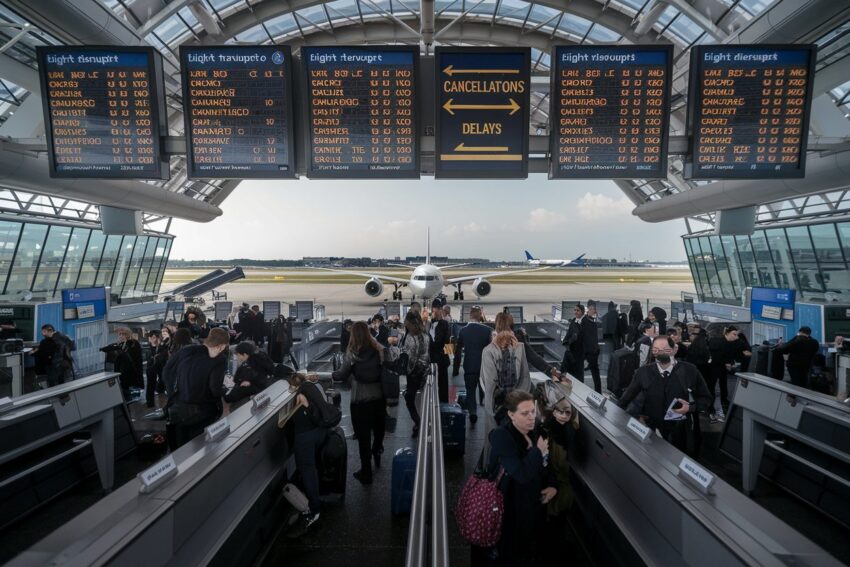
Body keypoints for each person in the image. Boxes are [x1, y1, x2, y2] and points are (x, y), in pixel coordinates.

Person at [474, 390, 555, 567]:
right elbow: (520, 474)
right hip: (509, 508)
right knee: (510, 553)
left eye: (533, 411)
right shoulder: (501, 436)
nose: (531, 417)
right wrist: (537, 451)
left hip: (534, 504)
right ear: (511, 414)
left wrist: (552, 485)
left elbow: (549, 464)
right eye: (524, 413)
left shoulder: (538, 431)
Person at [618, 336, 711, 456]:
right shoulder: (643, 372)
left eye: (665, 349)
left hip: (681, 432)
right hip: (651, 430)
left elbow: (706, 398)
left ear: (674, 350)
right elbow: (625, 400)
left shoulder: (690, 371)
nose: (660, 353)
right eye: (656, 349)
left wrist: (690, 408)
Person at [332, 321, 392, 484]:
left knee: (363, 438)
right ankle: (378, 449)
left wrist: (331, 375)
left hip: (360, 400)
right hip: (379, 398)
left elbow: (342, 374)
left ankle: (366, 471)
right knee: (379, 430)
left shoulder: (352, 352)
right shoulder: (378, 349)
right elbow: (389, 363)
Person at [163, 327, 230, 449]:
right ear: (221, 346)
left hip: (179, 409)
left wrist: (172, 394)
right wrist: (227, 389)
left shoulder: (186, 350)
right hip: (203, 412)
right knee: (199, 449)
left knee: (179, 449)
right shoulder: (219, 360)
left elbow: (167, 372)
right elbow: (214, 389)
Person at [539, 382, 581, 559]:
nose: (563, 416)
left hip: (562, 487)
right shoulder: (546, 432)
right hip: (551, 485)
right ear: (553, 411)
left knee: (557, 523)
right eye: (559, 412)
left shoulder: (570, 431)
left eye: (567, 413)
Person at [287, 372, 326, 533]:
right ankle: (317, 495)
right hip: (320, 432)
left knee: (307, 469)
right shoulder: (314, 387)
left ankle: (314, 510)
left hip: (305, 437)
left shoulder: (298, 395)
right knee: (313, 466)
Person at [481, 312, 530, 440]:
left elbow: (489, 383)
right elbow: (525, 378)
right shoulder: (519, 348)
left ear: (496, 327)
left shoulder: (488, 350)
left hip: (497, 406)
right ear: (512, 327)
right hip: (515, 405)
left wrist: (491, 407)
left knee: (496, 441)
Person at [453, 305, 492, 425]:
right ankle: (485, 407)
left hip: (469, 366)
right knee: (485, 389)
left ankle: (473, 412)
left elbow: (458, 351)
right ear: (480, 314)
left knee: (470, 391)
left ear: (470, 315)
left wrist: (455, 369)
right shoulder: (487, 330)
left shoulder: (463, 330)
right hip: (483, 366)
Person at [401, 311, 430, 437]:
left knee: (409, 398)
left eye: (407, 324)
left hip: (414, 372)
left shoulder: (411, 337)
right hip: (424, 370)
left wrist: (404, 369)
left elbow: (411, 358)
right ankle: (419, 422)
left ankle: (418, 422)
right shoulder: (425, 335)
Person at [224, 341, 274, 406]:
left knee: (230, 401)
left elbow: (237, 388)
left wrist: (225, 392)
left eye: (238, 355)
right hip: (264, 393)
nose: (237, 358)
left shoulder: (249, 367)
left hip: (250, 399)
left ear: (245, 354)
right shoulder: (261, 359)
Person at [707, 325, 740, 422]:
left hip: (721, 368)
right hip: (714, 367)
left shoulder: (731, 343)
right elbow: (715, 355)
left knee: (723, 383)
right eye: (734, 334)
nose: (735, 337)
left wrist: (728, 363)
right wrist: (727, 363)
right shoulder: (717, 341)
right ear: (727, 333)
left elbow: (729, 354)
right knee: (712, 385)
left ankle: (724, 401)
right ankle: (710, 406)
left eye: (736, 335)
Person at [102, 327, 144, 397]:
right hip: (123, 374)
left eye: (123, 334)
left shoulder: (133, 343)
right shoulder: (120, 344)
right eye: (119, 334)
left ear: (127, 335)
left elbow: (131, 357)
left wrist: (121, 347)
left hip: (133, 373)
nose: (121, 336)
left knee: (133, 395)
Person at [429, 299, 450, 403]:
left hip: (441, 359)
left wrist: (448, 358)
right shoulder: (427, 324)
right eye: (437, 309)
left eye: (440, 309)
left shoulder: (445, 324)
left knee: (443, 385)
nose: (438, 312)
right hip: (430, 359)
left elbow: (448, 341)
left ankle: (444, 405)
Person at [559, 304, 585, 379]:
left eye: (578, 310)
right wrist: (567, 341)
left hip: (580, 354)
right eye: (575, 310)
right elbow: (569, 334)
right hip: (571, 352)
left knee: (579, 375)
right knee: (569, 374)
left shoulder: (585, 322)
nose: (576, 312)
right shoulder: (573, 321)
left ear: (582, 312)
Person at [144, 330, 169, 408]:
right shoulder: (148, 347)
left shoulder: (163, 346)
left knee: (163, 380)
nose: (155, 339)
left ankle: (160, 391)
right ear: (150, 338)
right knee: (150, 384)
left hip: (161, 366)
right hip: (151, 366)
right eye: (154, 337)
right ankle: (150, 403)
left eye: (158, 337)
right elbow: (148, 357)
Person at [582, 301, 602, 393]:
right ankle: (598, 391)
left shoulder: (592, 320)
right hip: (589, 351)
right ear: (588, 309)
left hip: (594, 351)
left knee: (595, 371)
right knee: (595, 372)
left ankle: (598, 391)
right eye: (591, 309)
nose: (593, 311)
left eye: (594, 309)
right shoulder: (585, 321)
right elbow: (585, 338)